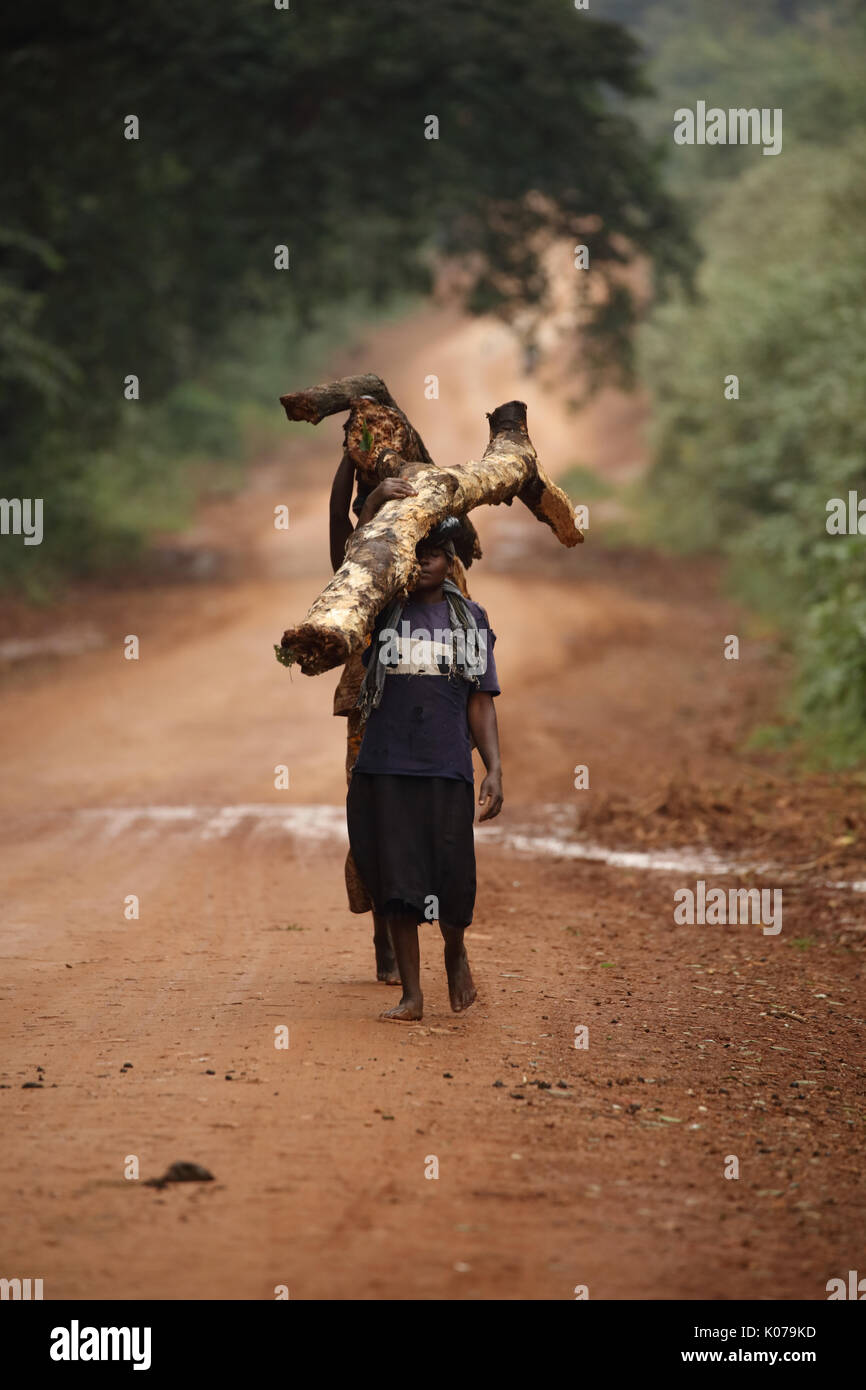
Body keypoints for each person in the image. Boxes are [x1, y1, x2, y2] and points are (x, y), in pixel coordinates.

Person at [346, 521, 503, 1022]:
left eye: (434, 553)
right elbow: (347, 559)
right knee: (395, 879)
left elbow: (480, 701)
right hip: (386, 765)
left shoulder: (470, 620)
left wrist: (493, 767)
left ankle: (455, 951)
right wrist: (367, 500)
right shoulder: (380, 613)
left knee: (452, 876)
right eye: (415, 553)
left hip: (445, 766)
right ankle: (411, 995)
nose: (424, 562)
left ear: (451, 560)